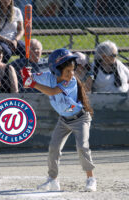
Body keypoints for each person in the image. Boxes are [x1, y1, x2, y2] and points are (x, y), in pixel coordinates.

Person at [21, 48, 97, 192]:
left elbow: (51, 91)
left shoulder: (72, 81)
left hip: (80, 118)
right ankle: (53, 180)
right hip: (64, 120)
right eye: (67, 71)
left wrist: (32, 83)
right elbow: (29, 80)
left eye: (73, 70)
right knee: (54, 148)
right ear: (55, 70)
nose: (71, 74)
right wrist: (26, 75)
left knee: (82, 146)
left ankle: (91, 179)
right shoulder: (48, 77)